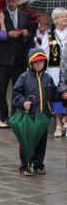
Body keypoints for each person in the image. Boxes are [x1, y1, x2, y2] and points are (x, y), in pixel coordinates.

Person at [12, 48, 58, 176]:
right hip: (29, 117)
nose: (38, 64)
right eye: (35, 62)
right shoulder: (24, 77)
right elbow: (16, 93)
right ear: (30, 63)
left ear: (45, 62)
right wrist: (22, 102)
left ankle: (38, 164)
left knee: (41, 142)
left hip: (43, 116)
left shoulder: (48, 78)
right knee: (26, 141)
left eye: (41, 62)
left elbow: (54, 94)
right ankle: (25, 165)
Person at [0, 0, 33, 123]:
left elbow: (30, 36)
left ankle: (15, 114)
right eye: (8, 1)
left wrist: (26, 34)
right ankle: (3, 116)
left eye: (14, 1)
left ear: (18, 1)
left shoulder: (24, 16)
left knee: (18, 87)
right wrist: (6, 34)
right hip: (4, 57)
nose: (11, 4)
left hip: (19, 57)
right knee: (2, 88)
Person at [40, 7, 67, 137]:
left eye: (66, 16)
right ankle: (58, 124)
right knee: (56, 97)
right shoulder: (49, 36)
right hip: (55, 70)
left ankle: (66, 119)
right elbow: (44, 54)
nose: (65, 19)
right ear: (55, 20)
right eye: (62, 16)